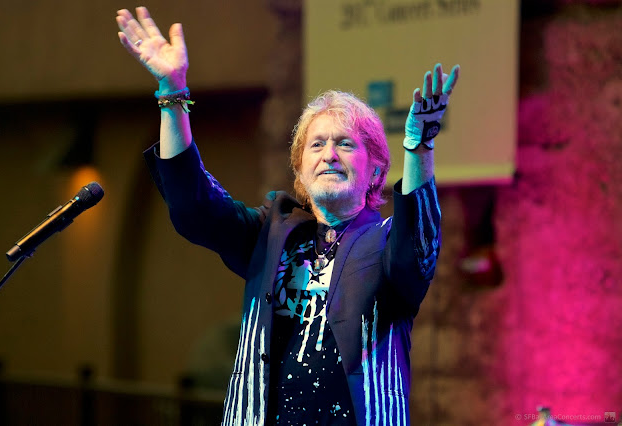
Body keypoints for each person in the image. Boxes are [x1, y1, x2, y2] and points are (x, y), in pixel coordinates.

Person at [116, 6, 459, 426]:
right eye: (317, 145)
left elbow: (418, 247)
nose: (329, 154)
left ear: (375, 171)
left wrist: (419, 148)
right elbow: (195, 207)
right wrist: (172, 94)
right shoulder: (272, 233)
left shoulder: (387, 244)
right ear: (300, 170)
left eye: (345, 144)